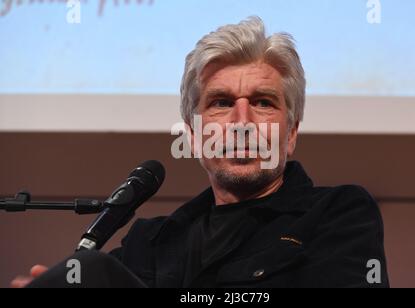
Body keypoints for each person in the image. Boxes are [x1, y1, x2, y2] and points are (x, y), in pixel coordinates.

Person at [12, 16, 389, 288]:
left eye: (262, 102)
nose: (242, 121)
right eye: (222, 103)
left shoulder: (339, 215)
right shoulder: (148, 242)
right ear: (193, 135)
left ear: (290, 134)